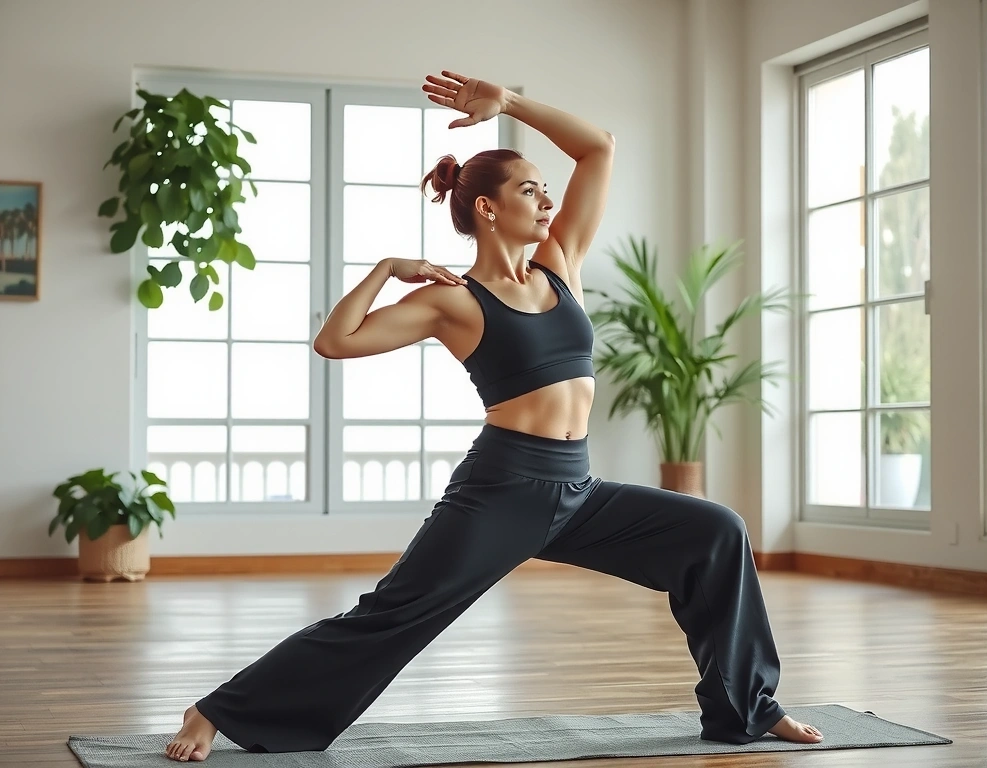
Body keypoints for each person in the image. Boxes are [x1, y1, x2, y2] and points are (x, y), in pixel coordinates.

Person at [165, 69, 822, 762]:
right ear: (487, 207)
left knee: (716, 532)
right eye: (529, 189)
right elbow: (336, 341)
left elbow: (598, 147)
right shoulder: (453, 299)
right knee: (393, 614)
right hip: (503, 489)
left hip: (579, 488)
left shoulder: (560, 263)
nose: (547, 199)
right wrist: (386, 269)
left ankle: (747, 709)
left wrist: (507, 102)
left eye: (544, 188)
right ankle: (216, 710)